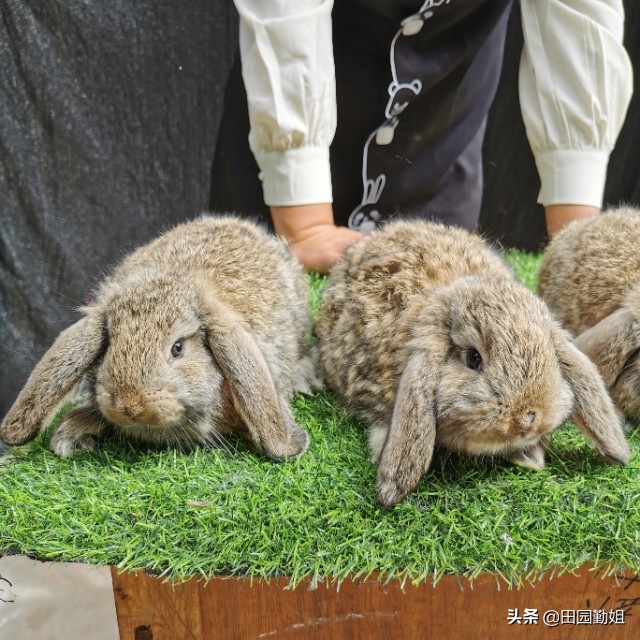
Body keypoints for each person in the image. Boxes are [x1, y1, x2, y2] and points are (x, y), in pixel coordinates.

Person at [210, 0, 633, 273]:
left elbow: (579, 16)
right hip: (285, 128)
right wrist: (304, 227)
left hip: (440, 125)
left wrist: (576, 256)